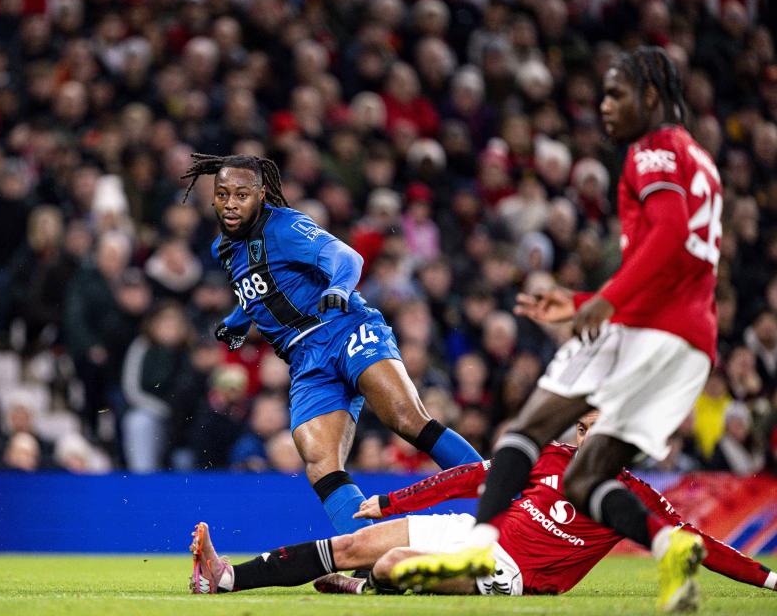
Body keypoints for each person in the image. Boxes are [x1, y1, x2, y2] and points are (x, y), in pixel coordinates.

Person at [391, 46, 722, 613]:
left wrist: (604, 301)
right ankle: (667, 547)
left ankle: (480, 546)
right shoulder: (701, 160)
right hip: (692, 339)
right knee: (587, 476)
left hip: (645, 329)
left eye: (616, 93)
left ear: (650, 96)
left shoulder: (653, 152)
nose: (604, 106)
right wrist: (580, 298)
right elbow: (683, 262)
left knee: (525, 432)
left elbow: (666, 237)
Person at [180, 153, 481, 535]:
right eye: (223, 194)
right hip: (305, 360)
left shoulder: (286, 226)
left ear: (262, 194)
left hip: (345, 328)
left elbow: (346, 256)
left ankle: (498, 503)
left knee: (405, 419)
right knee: (319, 461)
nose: (231, 203)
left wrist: (339, 287)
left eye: (242, 194)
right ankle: (369, 549)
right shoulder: (221, 248)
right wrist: (236, 321)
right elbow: (260, 290)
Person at [188, 412, 776, 597]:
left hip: (510, 572)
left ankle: (369, 591)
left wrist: (770, 579)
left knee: (390, 567)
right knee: (352, 545)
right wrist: (387, 500)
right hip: (476, 530)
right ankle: (224, 577)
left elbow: (700, 548)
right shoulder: (549, 456)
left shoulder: (639, 500)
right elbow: (471, 476)